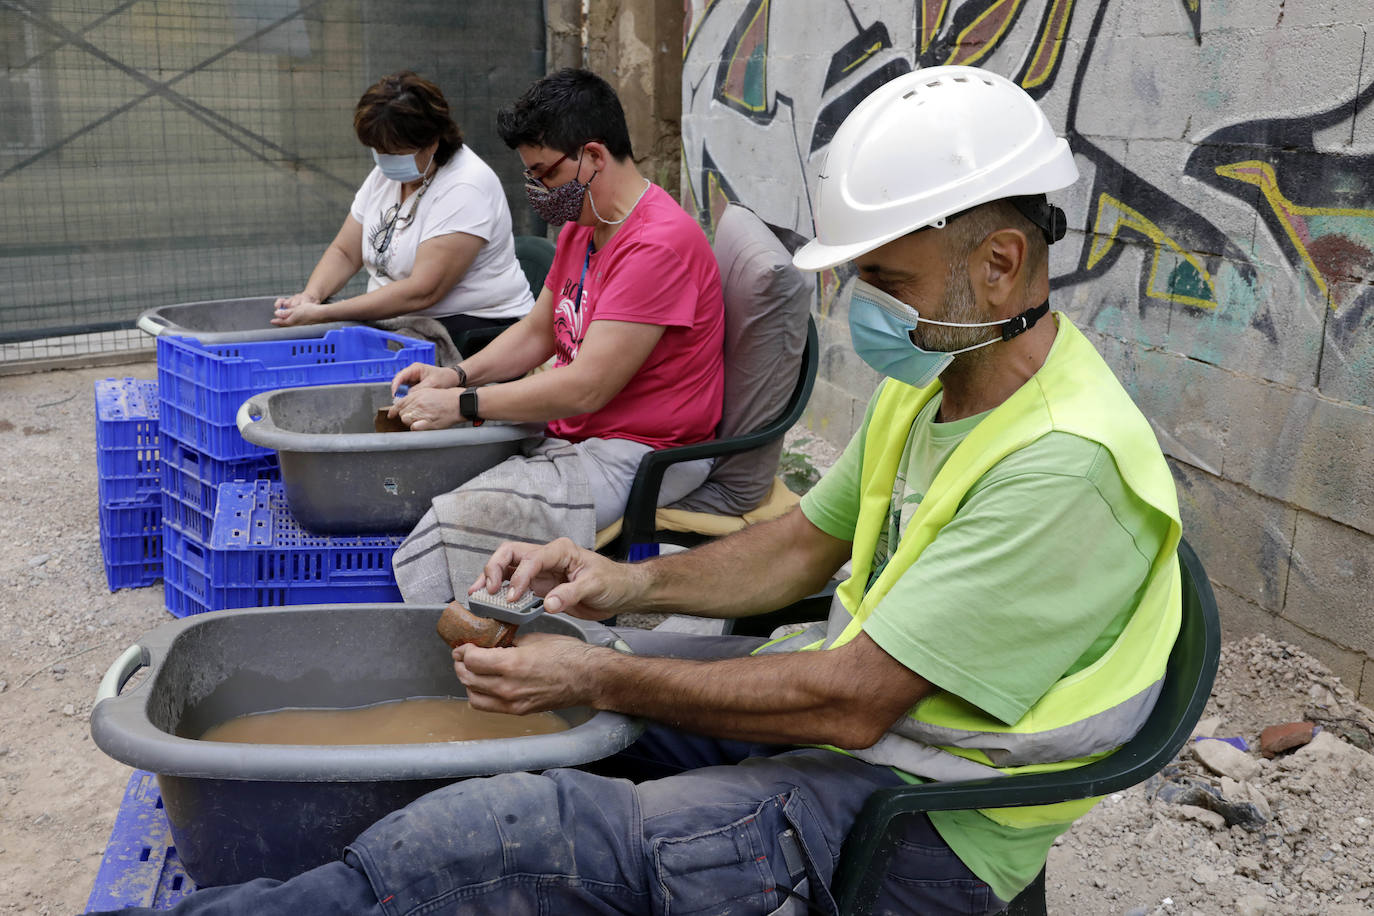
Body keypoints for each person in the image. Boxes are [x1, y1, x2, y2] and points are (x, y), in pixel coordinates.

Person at [90, 65, 1181, 916]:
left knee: (505, 830)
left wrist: (606, 676)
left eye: (883, 280)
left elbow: (853, 699)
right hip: (856, 726)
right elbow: (801, 545)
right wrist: (609, 589)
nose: (862, 306)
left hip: (918, 818)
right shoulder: (946, 374)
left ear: (997, 265)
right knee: (546, 702)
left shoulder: (1065, 462)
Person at [384, 68, 725, 603]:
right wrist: (455, 374)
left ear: (592, 156)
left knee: (457, 520)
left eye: (543, 172)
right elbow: (539, 331)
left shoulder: (656, 245)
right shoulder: (585, 224)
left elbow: (587, 387)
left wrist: (466, 404)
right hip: (581, 433)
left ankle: (464, 652)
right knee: (425, 476)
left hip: (641, 452)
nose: (537, 189)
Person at [271, 70, 534, 353]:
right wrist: (311, 296)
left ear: (433, 141)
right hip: (397, 322)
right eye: (378, 151)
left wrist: (325, 314)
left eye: (396, 152)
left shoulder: (466, 185)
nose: (385, 161)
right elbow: (345, 252)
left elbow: (423, 291)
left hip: (473, 331)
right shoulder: (386, 176)